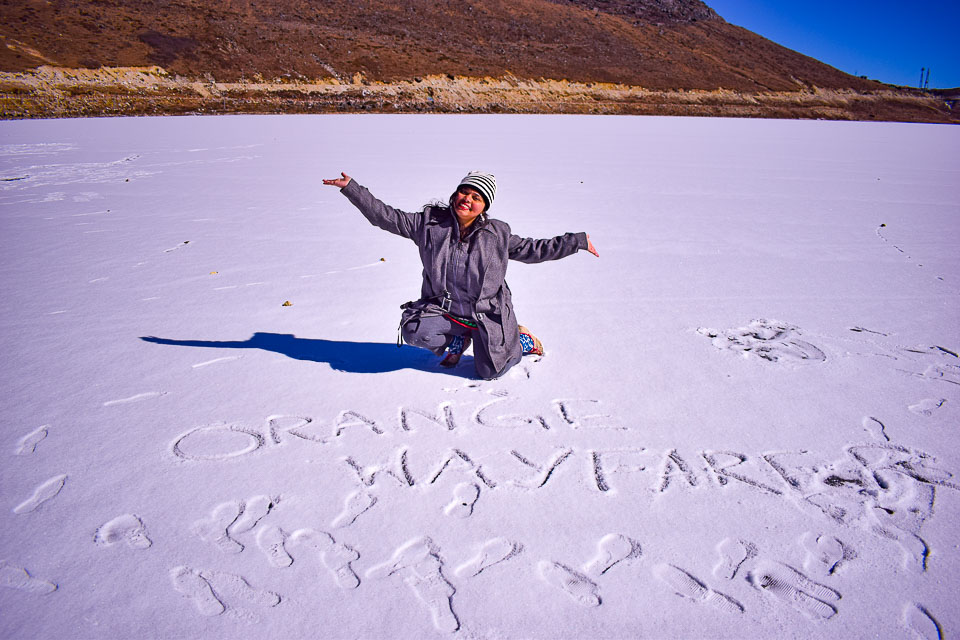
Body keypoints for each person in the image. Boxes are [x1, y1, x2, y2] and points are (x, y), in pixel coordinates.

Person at [322, 171, 598, 379]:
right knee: (415, 330)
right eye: (463, 192)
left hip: (486, 315)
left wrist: (576, 241)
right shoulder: (429, 225)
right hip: (446, 312)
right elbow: (387, 217)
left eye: (476, 197)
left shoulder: (496, 235)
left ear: (485, 206)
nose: (467, 199)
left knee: (490, 372)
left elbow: (534, 249)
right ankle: (457, 339)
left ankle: (519, 339)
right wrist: (352, 190)